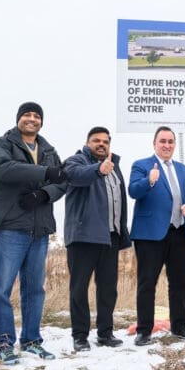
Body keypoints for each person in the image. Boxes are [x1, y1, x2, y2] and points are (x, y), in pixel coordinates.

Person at [0, 102, 67, 364]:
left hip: (39, 228)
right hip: (9, 226)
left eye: (36, 116)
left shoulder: (49, 150)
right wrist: (45, 172)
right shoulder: (1, 144)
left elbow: (62, 181)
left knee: (35, 289)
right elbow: (4, 169)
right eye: (27, 115)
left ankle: (32, 340)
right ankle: (2, 343)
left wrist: (44, 193)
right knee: (2, 288)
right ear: (18, 118)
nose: (31, 119)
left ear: (41, 121)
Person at [128, 126, 185, 346]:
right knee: (147, 282)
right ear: (154, 143)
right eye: (163, 141)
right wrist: (149, 180)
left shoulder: (184, 169)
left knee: (180, 282)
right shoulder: (141, 165)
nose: (167, 145)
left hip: (178, 232)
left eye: (170, 141)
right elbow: (133, 191)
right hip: (150, 235)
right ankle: (144, 331)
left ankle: (179, 327)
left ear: (174, 144)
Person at [63, 126, 130, 351]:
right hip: (83, 236)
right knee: (79, 288)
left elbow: (118, 201)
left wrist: (122, 232)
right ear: (88, 142)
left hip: (109, 236)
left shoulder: (115, 167)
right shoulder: (76, 161)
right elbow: (75, 177)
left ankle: (105, 332)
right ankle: (80, 335)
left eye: (105, 141)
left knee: (108, 288)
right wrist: (99, 169)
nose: (101, 144)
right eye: (96, 141)